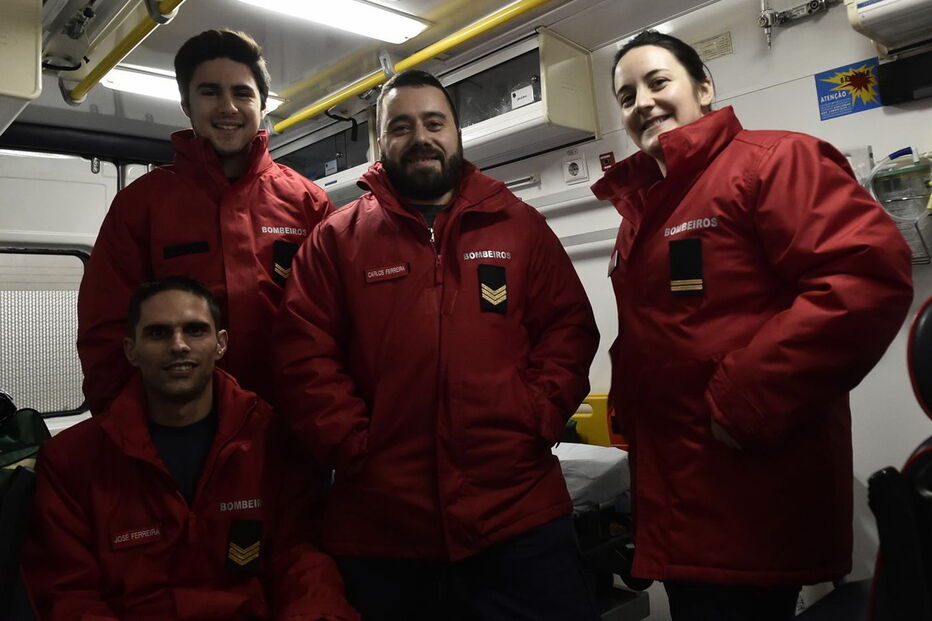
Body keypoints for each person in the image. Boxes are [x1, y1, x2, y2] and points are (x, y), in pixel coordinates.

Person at [590, 30, 914, 621]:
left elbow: (862, 277)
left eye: (658, 82)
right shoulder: (643, 209)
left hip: (748, 491)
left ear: (705, 87)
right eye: (626, 94)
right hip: (680, 495)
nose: (642, 102)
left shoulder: (774, 161)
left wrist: (743, 400)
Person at [274, 69, 601, 620]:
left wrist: (536, 415)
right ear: (381, 143)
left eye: (434, 122)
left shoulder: (519, 226)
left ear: (456, 132)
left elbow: (568, 331)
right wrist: (356, 447)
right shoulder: (337, 239)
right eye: (400, 126)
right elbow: (302, 356)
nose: (420, 137)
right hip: (384, 527)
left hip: (516, 515)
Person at [22, 276, 358, 621]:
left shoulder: (273, 440)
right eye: (158, 333)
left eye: (195, 330)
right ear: (130, 350)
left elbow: (300, 559)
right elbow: (68, 593)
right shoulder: (71, 460)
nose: (178, 345)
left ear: (221, 343)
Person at [77, 29, 333, 413]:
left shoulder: (308, 203)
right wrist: (131, 432)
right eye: (210, 92)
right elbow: (107, 332)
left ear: (263, 104)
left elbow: (337, 324)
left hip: (291, 432)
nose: (228, 107)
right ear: (186, 104)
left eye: (242, 93)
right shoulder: (140, 205)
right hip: (180, 434)